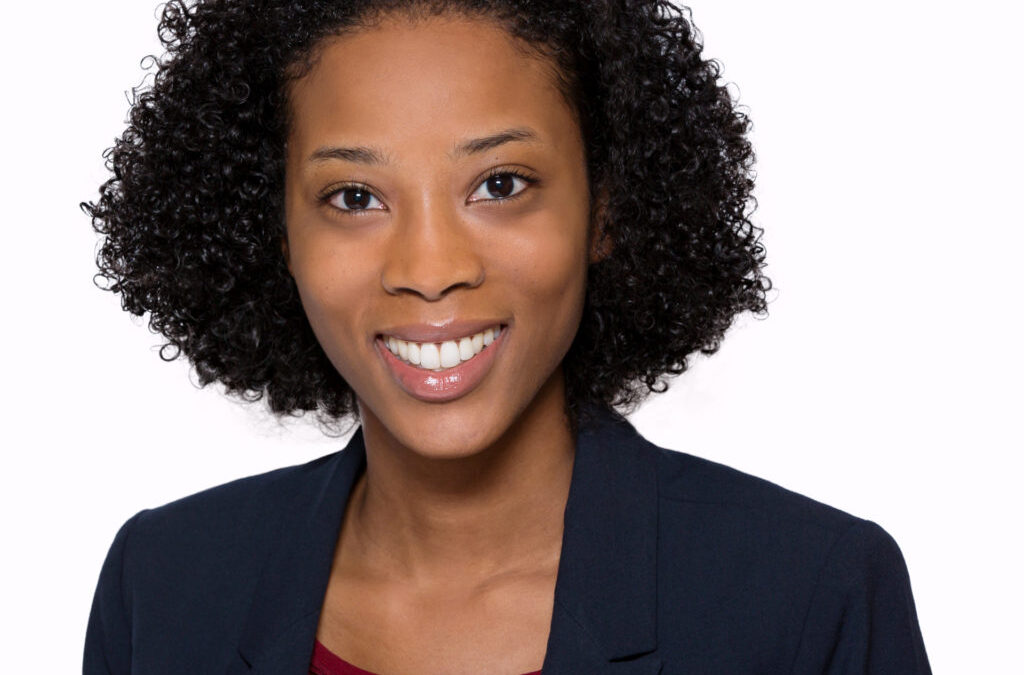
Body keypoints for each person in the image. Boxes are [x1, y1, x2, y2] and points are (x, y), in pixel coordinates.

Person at [82, 0, 931, 673]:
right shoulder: (161, 585)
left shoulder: (810, 597)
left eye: (500, 184)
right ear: (276, 234)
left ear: (604, 209)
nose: (430, 268)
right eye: (354, 197)